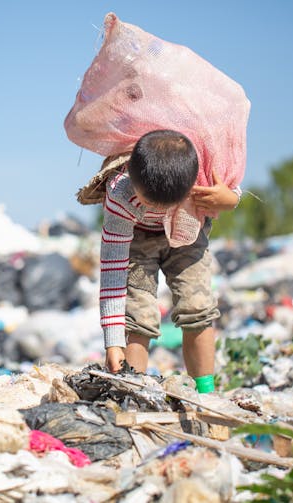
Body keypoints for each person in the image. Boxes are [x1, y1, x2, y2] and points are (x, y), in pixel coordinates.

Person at [97, 129, 241, 393]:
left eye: (167, 205)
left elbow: (232, 191)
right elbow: (113, 271)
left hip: (189, 232)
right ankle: (133, 390)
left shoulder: (202, 179)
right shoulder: (120, 195)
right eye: (149, 203)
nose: (157, 211)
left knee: (197, 309)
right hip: (137, 238)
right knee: (137, 315)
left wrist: (228, 200)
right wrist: (113, 342)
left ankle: (205, 392)